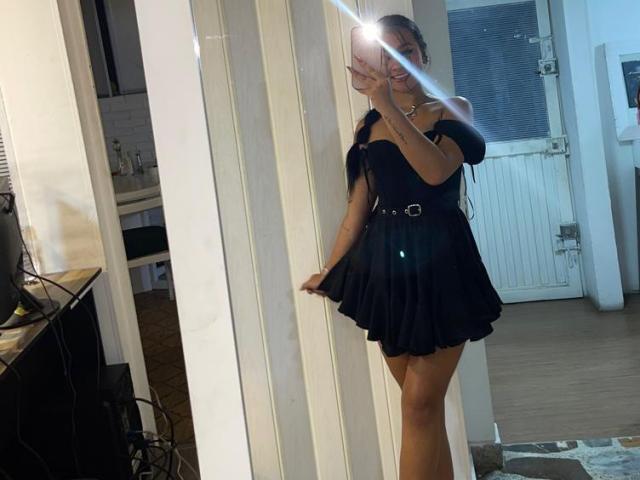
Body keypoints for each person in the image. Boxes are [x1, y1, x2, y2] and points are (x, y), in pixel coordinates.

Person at [299, 14, 502, 480]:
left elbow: (435, 171)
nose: (395, 63)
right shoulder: (368, 126)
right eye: (384, 54)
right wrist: (330, 270)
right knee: (421, 409)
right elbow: (358, 208)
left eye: (405, 50)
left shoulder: (452, 109)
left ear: (422, 55)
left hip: (444, 263)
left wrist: (386, 104)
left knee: (419, 404)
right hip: (386, 267)